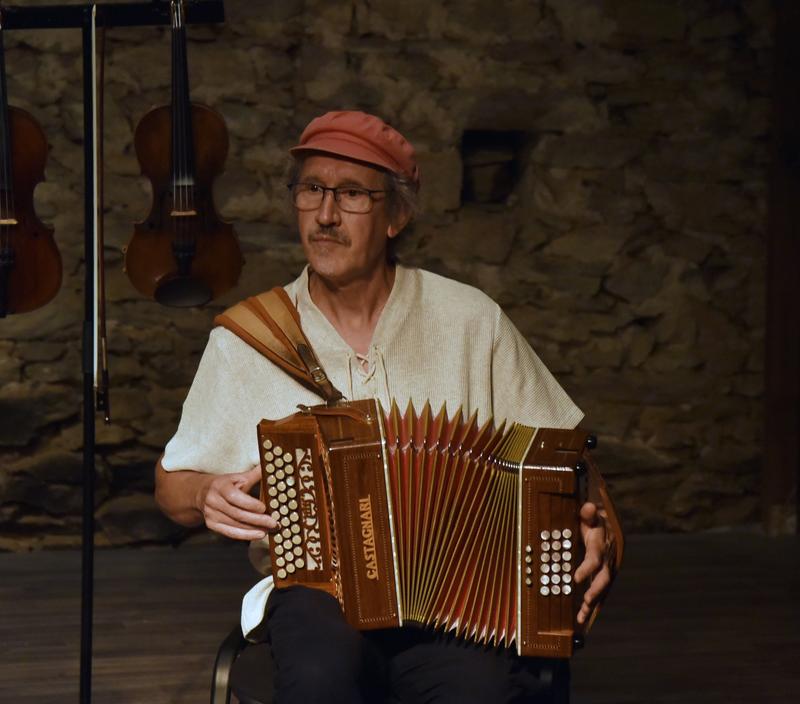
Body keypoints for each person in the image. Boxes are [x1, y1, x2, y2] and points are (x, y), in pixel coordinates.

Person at [155, 110, 616, 703]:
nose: (325, 214)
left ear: (396, 215)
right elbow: (171, 487)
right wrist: (201, 494)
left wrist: (594, 523)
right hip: (317, 594)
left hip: (460, 593)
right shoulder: (249, 338)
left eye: (351, 194)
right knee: (320, 680)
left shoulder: (470, 321)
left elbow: (570, 461)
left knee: (480, 693)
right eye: (312, 190)